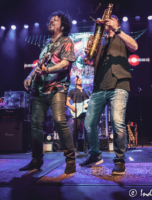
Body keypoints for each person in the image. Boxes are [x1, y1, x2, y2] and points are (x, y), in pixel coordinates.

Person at [79, 15, 138, 175]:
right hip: (99, 86)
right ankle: (95, 155)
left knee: (117, 123)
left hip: (119, 84)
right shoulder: (100, 42)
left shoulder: (122, 37)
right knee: (89, 123)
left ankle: (119, 160)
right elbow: (89, 62)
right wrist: (89, 57)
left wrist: (117, 30)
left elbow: (134, 46)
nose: (107, 23)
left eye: (110, 20)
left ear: (117, 23)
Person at [21, 11, 76, 174]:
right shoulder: (46, 43)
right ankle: (36, 160)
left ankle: (71, 160)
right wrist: (30, 76)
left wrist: (48, 70)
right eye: (50, 20)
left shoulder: (66, 41)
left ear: (63, 25)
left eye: (55, 20)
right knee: (35, 125)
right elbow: (40, 64)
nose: (51, 21)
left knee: (60, 121)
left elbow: (66, 64)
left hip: (58, 87)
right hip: (40, 89)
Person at [66, 76, 90, 155]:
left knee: (87, 130)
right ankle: (74, 148)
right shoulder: (72, 91)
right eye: (77, 79)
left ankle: (87, 148)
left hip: (85, 112)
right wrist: (71, 106)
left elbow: (90, 101)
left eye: (80, 79)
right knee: (76, 129)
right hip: (76, 111)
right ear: (75, 82)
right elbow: (67, 102)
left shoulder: (87, 91)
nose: (79, 79)